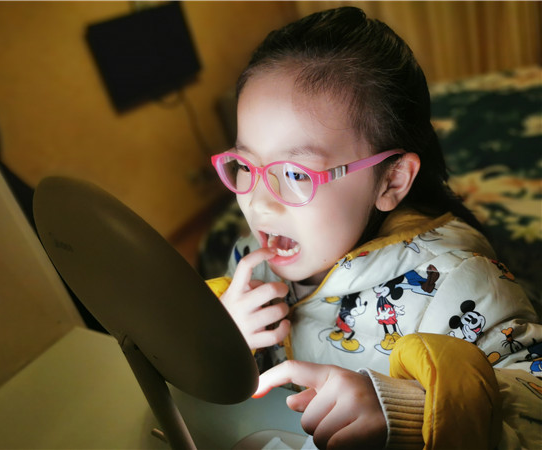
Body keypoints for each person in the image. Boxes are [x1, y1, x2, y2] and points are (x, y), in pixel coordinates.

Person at [206, 6, 541, 450]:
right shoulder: (250, 264)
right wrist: (220, 341)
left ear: (392, 180)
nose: (259, 201)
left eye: (297, 173)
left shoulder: (461, 286)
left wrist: (413, 413)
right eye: (246, 165)